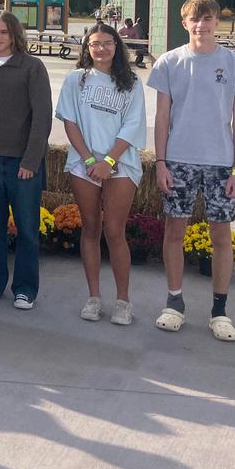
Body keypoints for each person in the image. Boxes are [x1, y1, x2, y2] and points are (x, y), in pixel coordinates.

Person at [149, 0, 235, 343]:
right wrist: (161, 163)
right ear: (185, 24)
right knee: (174, 233)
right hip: (179, 161)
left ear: (217, 22)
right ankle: (174, 302)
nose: (202, 25)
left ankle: (219, 311)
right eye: (195, 20)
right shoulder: (169, 62)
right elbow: (162, 117)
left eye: (207, 19)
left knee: (221, 237)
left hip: (221, 164)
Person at [56, 23, 147, 325]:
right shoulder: (76, 80)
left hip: (120, 164)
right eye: (95, 44)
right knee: (91, 228)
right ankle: (94, 297)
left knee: (115, 231)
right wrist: (89, 159)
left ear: (117, 46)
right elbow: (70, 122)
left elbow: (133, 125)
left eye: (107, 43)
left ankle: (123, 301)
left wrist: (108, 161)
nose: (101, 49)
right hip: (84, 164)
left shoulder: (131, 82)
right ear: (87, 48)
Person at [0, 10, 52, 310]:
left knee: (27, 229)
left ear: (14, 34)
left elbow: (42, 118)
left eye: (3, 32)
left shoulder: (32, 67)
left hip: (22, 164)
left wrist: (31, 161)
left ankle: (25, 288)